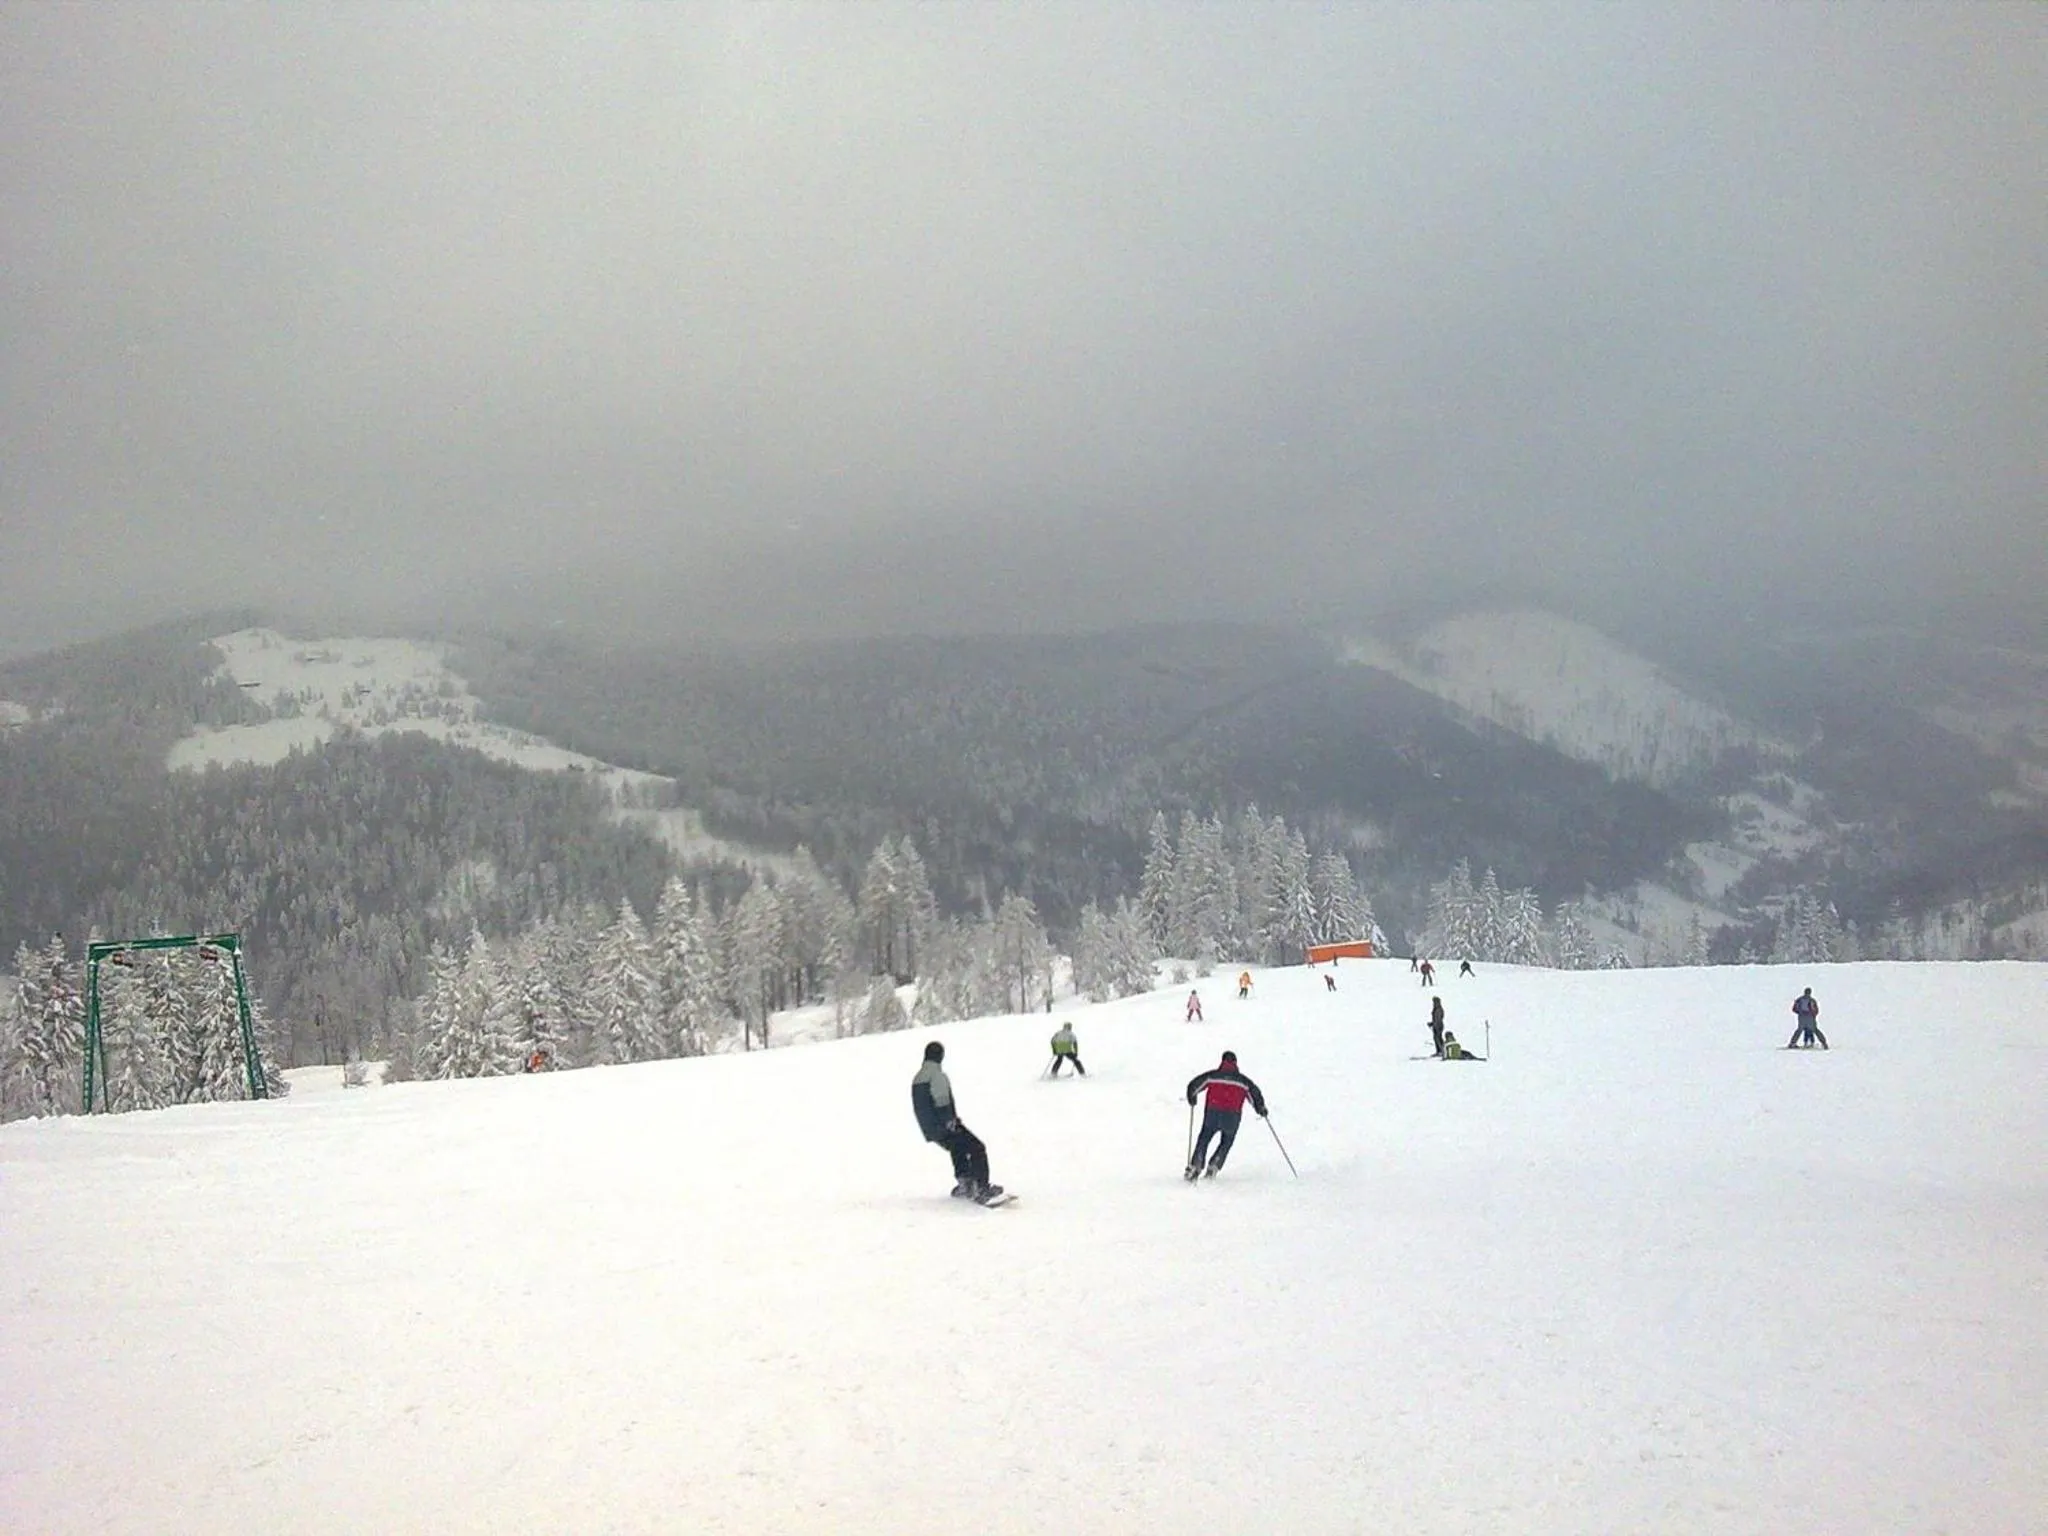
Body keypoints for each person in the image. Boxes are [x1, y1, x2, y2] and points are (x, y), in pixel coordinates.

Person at [910, 1041, 1003, 1203]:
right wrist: (949, 1121)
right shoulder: (936, 1075)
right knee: (977, 1147)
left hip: (930, 1128)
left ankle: (965, 1183)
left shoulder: (918, 1077)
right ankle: (982, 1187)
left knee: (957, 1147)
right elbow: (941, 1099)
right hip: (944, 1124)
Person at [1184, 1050, 1268, 1180]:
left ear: (1222, 1061)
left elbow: (1193, 1085)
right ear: (1235, 1063)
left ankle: (1196, 1165)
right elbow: (1255, 1095)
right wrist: (1260, 1108)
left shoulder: (1212, 1076)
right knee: (1226, 1141)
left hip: (1212, 1112)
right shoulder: (1242, 1081)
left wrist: (1192, 1097)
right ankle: (1214, 1165)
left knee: (1204, 1138)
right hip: (1232, 1117)